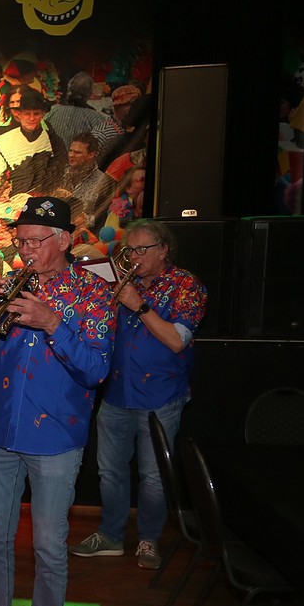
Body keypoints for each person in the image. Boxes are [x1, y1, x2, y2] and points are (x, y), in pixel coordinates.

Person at [0, 196, 115, 606]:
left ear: (64, 240)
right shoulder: (10, 286)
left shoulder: (93, 294)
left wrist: (52, 322)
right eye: (20, 241)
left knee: (49, 547)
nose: (24, 251)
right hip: (0, 433)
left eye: (34, 241)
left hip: (56, 437)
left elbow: (96, 370)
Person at [71, 220, 207, 569]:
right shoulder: (121, 282)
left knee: (154, 475)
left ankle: (149, 539)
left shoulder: (185, 285)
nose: (134, 257)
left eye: (142, 250)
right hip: (116, 392)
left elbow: (177, 341)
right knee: (110, 471)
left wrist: (139, 305)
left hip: (161, 395)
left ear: (164, 250)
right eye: (130, 250)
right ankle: (111, 535)